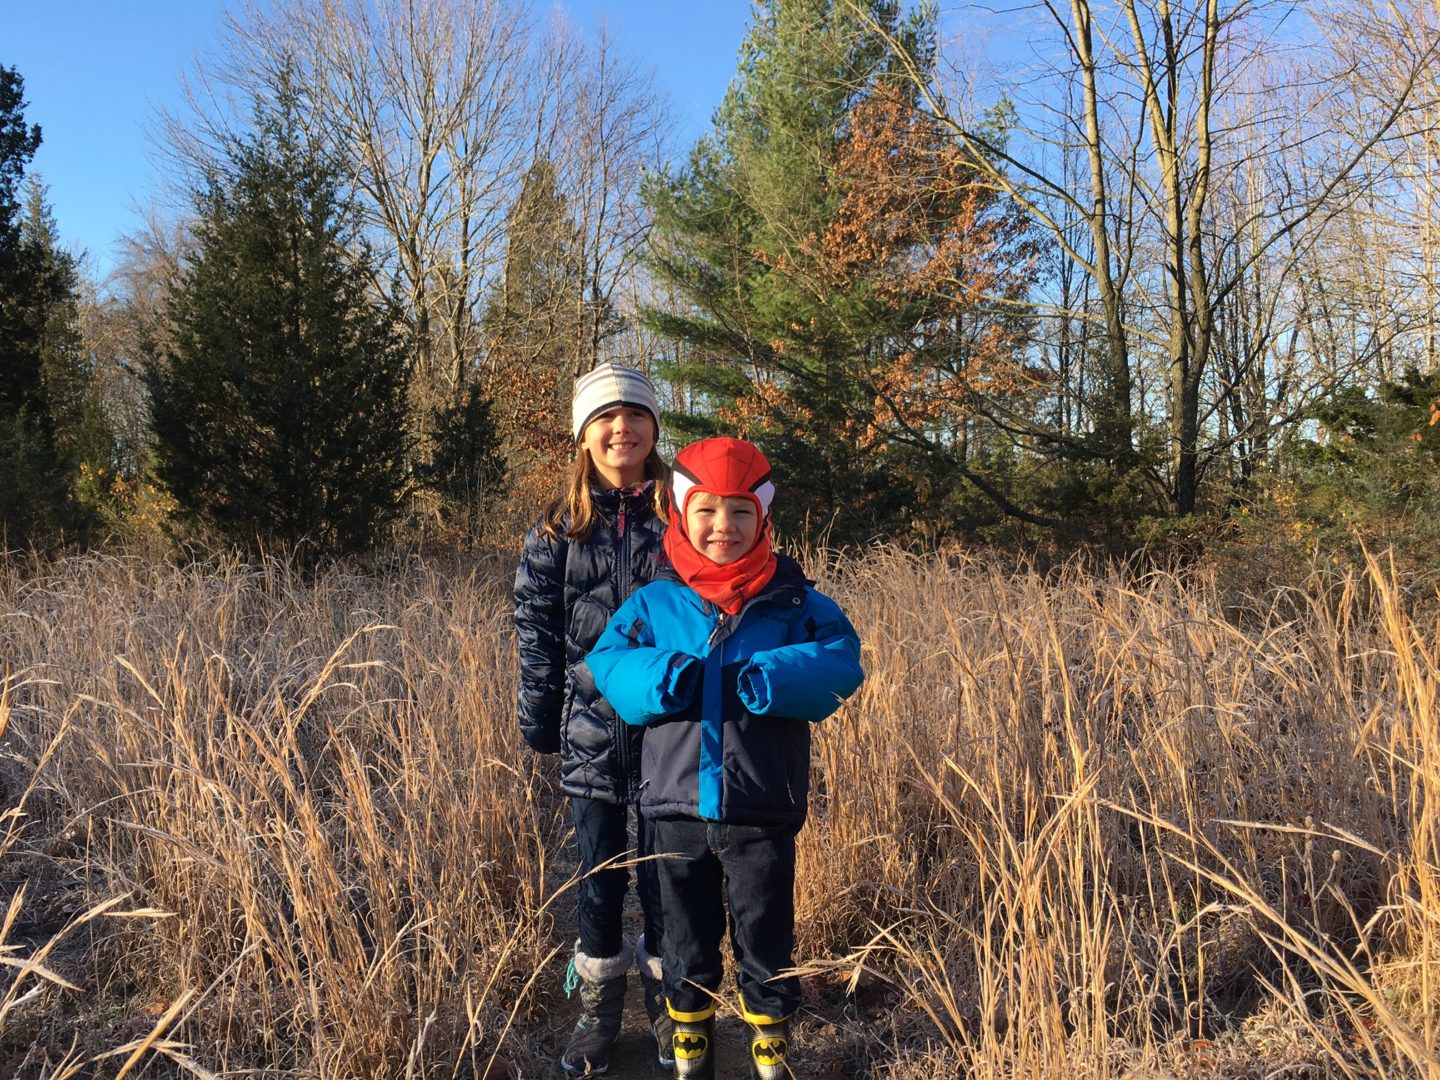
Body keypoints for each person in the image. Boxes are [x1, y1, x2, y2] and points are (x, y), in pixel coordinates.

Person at [586, 437, 865, 1080]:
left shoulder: (793, 600)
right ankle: (691, 1046)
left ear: (762, 518)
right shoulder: (656, 601)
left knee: (765, 935)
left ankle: (769, 1044)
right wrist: (660, 678)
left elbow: (843, 659)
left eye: (741, 512)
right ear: (683, 511)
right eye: (707, 510)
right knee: (684, 938)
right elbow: (606, 663)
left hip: (762, 805)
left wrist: (774, 677)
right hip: (674, 807)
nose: (723, 527)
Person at [513, 363, 673, 1076]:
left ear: (653, 430)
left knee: (672, 876)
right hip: (591, 736)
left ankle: (679, 1013)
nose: (622, 428)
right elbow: (536, 633)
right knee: (600, 876)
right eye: (605, 418)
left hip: (674, 735)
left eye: (635, 415)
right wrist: (540, 721)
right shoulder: (557, 529)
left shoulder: (683, 516)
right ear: (584, 435)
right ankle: (599, 1016)